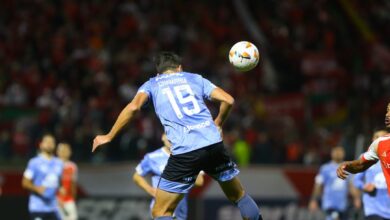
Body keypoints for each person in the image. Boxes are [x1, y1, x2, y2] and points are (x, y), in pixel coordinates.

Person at [92, 52, 262, 220]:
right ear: (179, 68)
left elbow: (133, 107)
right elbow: (229, 100)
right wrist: (217, 122)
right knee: (239, 196)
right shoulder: (194, 78)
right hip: (214, 144)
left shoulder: (151, 84)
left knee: (161, 212)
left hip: (185, 152)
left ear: (158, 72)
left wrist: (109, 135)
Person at [133, 133, 204, 219]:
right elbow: (137, 176)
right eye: (168, 135)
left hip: (180, 209)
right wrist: (151, 190)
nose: (171, 138)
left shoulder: (189, 156)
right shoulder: (152, 157)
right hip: (161, 208)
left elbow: (200, 182)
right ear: (162, 137)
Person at [337, 103, 390, 195]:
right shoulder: (379, 143)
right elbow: (361, 165)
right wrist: (346, 165)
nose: (387, 115)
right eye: (387, 111)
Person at [22, 134, 63, 220]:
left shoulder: (59, 163)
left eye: (52, 142)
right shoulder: (34, 162)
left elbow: (58, 183)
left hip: (53, 208)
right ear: (41, 145)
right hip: (37, 207)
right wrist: (36, 188)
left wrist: (60, 193)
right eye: (47, 141)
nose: (49, 144)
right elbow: (25, 182)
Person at [308, 146, 357, 220]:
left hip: (343, 205)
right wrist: (314, 200)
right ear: (332, 154)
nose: (338, 154)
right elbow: (318, 185)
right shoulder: (325, 168)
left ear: (343, 154)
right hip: (329, 204)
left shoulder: (348, 168)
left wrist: (356, 198)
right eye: (336, 152)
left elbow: (351, 185)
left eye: (340, 152)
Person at [353, 130, 390, 220]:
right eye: (377, 137)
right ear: (373, 140)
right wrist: (364, 186)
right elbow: (356, 180)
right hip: (372, 208)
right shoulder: (365, 158)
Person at [57, 143, 78, 220]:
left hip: (69, 200)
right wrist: (57, 199)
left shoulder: (72, 166)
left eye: (67, 150)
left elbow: (73, 184)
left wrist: (73, 199)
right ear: (58, 152)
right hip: (56, 202)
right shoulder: (54, 165)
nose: (65, 152)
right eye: (62, 150)